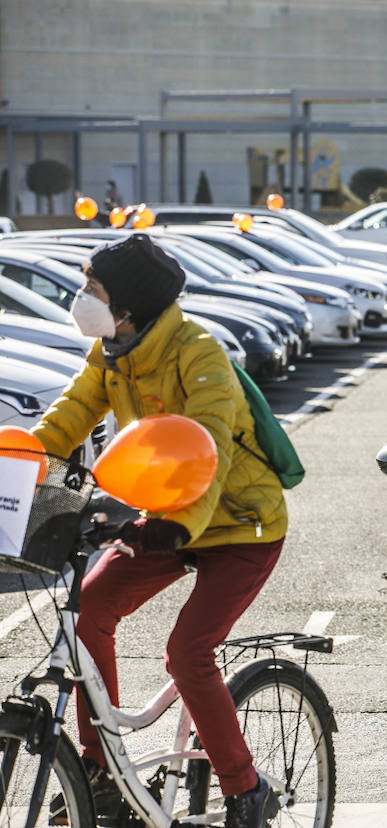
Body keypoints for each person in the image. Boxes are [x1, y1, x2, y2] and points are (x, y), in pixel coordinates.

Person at [30, 234, 286, 828]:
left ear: (129, 307)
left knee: (188, 651)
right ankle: (100, 774)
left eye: (94, 290)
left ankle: (246, 789)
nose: (81, 298)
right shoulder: (112, 349)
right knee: (89, 608)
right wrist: (11, 467)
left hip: (239, 524)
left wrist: (176, 525)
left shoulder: (198, 352)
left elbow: (213, 445)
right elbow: (66, 419)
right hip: (164, 515)